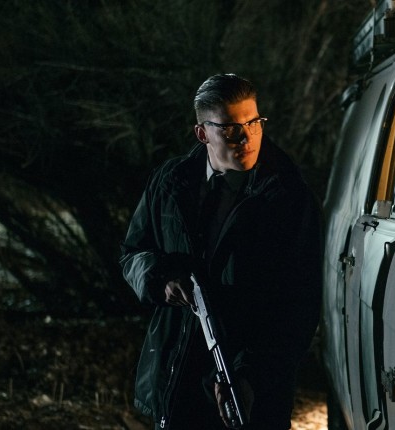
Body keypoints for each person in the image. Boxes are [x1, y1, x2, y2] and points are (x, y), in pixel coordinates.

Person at [120, 73, 323, 429]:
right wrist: (161, 280)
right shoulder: (170, 183)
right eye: (230, 128)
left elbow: (298, 306)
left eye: (254, 123)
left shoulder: (288, 198)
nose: (247, 137)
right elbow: (133, 252)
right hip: (178, 377)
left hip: (251, 388)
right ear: (202, 133)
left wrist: (250, 375)